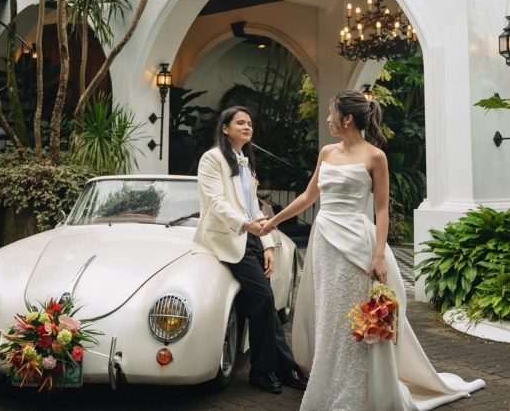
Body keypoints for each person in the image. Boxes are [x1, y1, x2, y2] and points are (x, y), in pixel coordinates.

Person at [262, 90, 485, 410]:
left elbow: (381, 210)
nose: (327, 119)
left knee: (357, 316)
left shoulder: (375, 157)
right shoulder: (326, 152)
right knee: (329, 317)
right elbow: (308, 197)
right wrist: (273, 222)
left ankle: (358, 391)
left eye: (331, 112)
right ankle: (328, 385)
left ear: (347, 119)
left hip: (357, 243)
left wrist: (379, 254)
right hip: (324, 241)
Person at [194, 106, 307, 394]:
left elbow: (254, 207)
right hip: (227, 238)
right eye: (240, 123)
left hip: (251, 239)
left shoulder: (246, 163)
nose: (247, 127)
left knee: (265, 303)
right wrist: (246, 226)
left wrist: (267, 245)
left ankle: (282, 366)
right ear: (225, 128)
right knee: (263, 298)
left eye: (250, 123)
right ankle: (262, 370)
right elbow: (217, 203)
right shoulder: (212, 159)